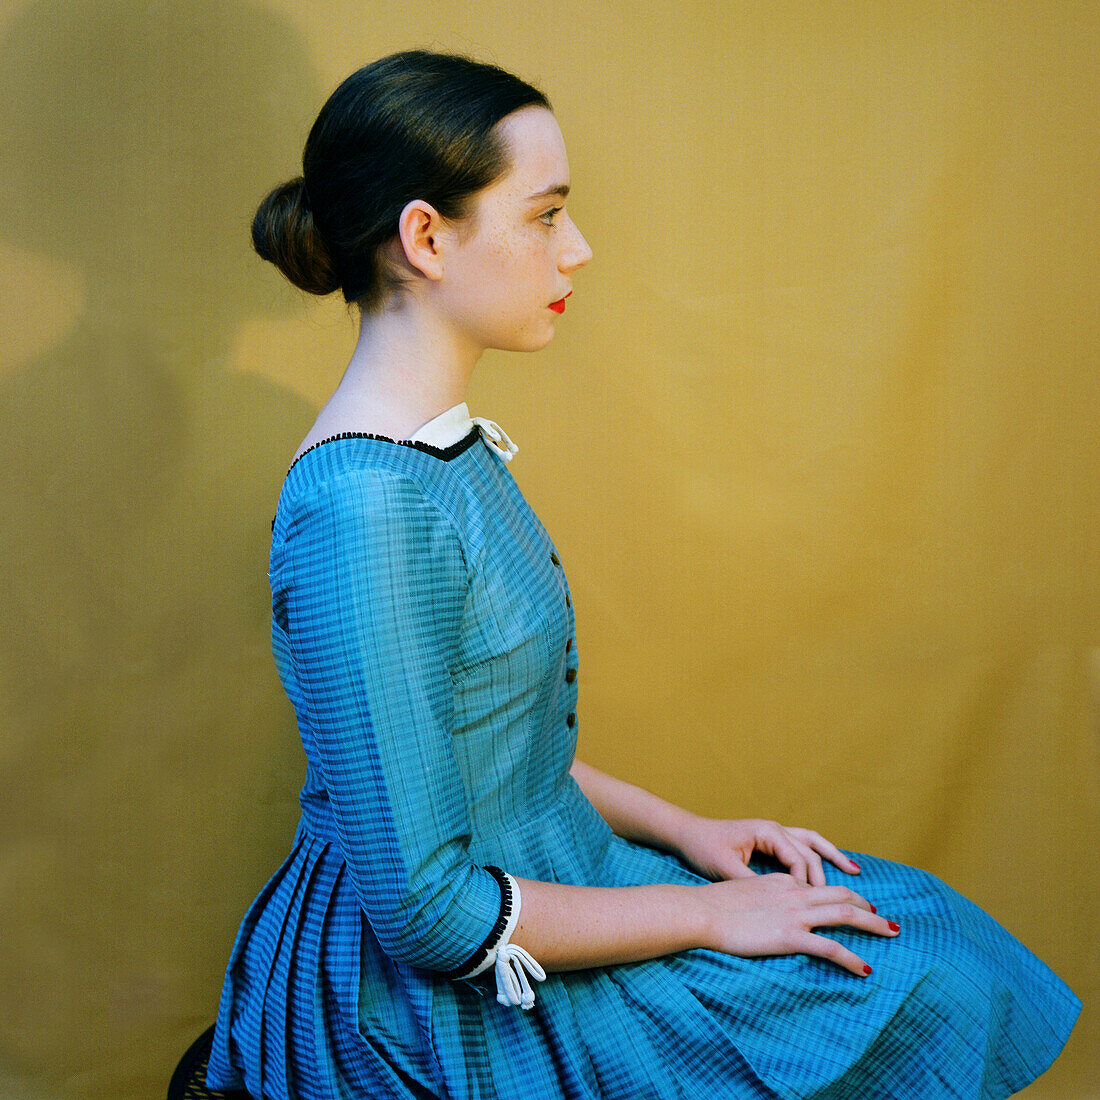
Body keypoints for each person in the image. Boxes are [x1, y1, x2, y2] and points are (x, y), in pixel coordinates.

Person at [207, 49, 1079, 1099]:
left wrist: (685, 832)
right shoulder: (366, 511)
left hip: (550, 870)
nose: (576, 250)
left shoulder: (438, 455)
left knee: (923, 934)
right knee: (914, 981)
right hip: (420, 994)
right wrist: (711, 912)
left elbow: (488, 749)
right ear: (426, 238)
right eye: (544, 215)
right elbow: (429, 911)